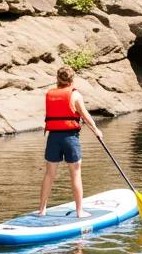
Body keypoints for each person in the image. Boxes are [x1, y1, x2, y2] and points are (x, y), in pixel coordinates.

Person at [39, 65, 103, 218]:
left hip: (53, 137)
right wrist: (96, 131)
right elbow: (86, 116)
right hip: (70, 138)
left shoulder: (50, 94)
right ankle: (80, 212)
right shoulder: (75, 95)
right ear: (72, 79)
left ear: (57, 79)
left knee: (49, 174)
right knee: (75, 174)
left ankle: (42, 210)